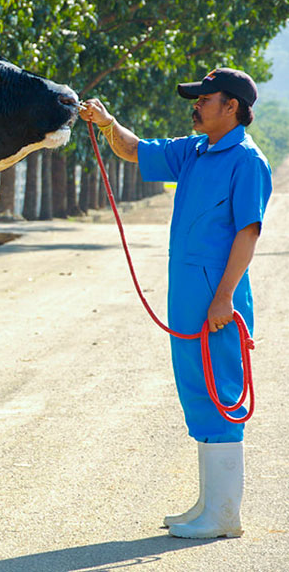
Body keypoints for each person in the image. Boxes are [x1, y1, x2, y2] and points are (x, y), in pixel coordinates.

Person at [78, 68, 272, 539]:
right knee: (196, 391)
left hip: (217, 300)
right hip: (187, 297)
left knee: (220, 393)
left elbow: (248, 233)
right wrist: (106, 123)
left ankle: (226, 516)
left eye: (206, 98)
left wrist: (224, 296)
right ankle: (209, 504)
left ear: (232, 107)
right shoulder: (195, 150)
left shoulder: (246, 160)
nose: (197, 104)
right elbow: (133, 149)